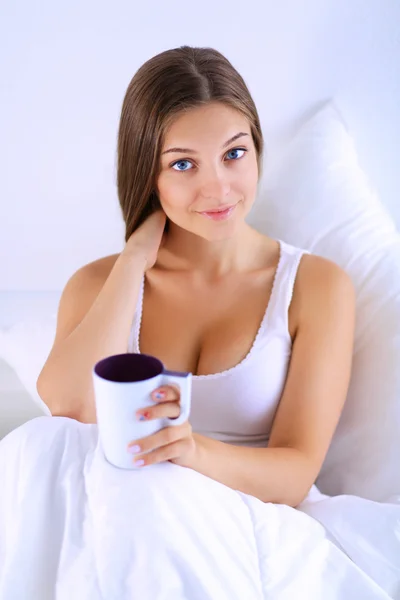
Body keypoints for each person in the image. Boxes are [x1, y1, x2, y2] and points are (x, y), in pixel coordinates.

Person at [36, 45, 355, 508]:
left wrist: (189, 450)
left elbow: (296, 476)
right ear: (148, 173)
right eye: (183, 163)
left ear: (257, 150)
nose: (219, 188)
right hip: (125, 519)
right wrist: (132, 261)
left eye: (234, 153)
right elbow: (68, 413)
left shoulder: (314, 287)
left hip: (252, 527)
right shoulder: (97, 283)